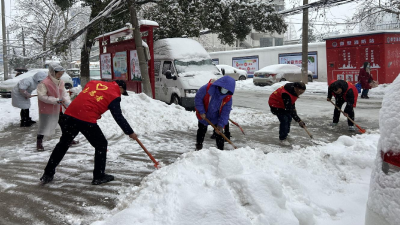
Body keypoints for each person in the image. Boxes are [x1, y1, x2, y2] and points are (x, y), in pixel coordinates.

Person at [40, 80, 137, 185]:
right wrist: (130, 132)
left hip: (70, 115)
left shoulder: (93, 83)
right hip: (85, 118)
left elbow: (88, 92)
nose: (121, 94)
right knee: (101, 145)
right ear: (121, 87)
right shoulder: (114, 95)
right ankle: (99, 176)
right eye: (122, 92)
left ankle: (47, 174)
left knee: (63, 144)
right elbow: (118, 116)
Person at [36, 63, 75, 151]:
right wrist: (55, 100)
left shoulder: (61, 82)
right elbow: (42, 96)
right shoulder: (44, 83)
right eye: (59, 74)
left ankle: (69, 139)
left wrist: (68, 102)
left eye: (61, 74)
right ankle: (39, 143)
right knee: (44, 126)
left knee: (64, 125)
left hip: (59, 108)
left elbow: (64, 93)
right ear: (53, 72)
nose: (60, 76)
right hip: (47, 109)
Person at [195, 76, 235, 150]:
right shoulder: (207, 88)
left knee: (219, 133)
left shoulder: (228, 97)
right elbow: (198, 99)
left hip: (216, 116)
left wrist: (221, 125)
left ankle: (220, 151)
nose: (225, 90)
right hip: (204, 114)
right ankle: (198, 147)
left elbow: (225, 111)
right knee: (201, 130)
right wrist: (201, 111)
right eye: (224, 88)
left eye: (227, 89)